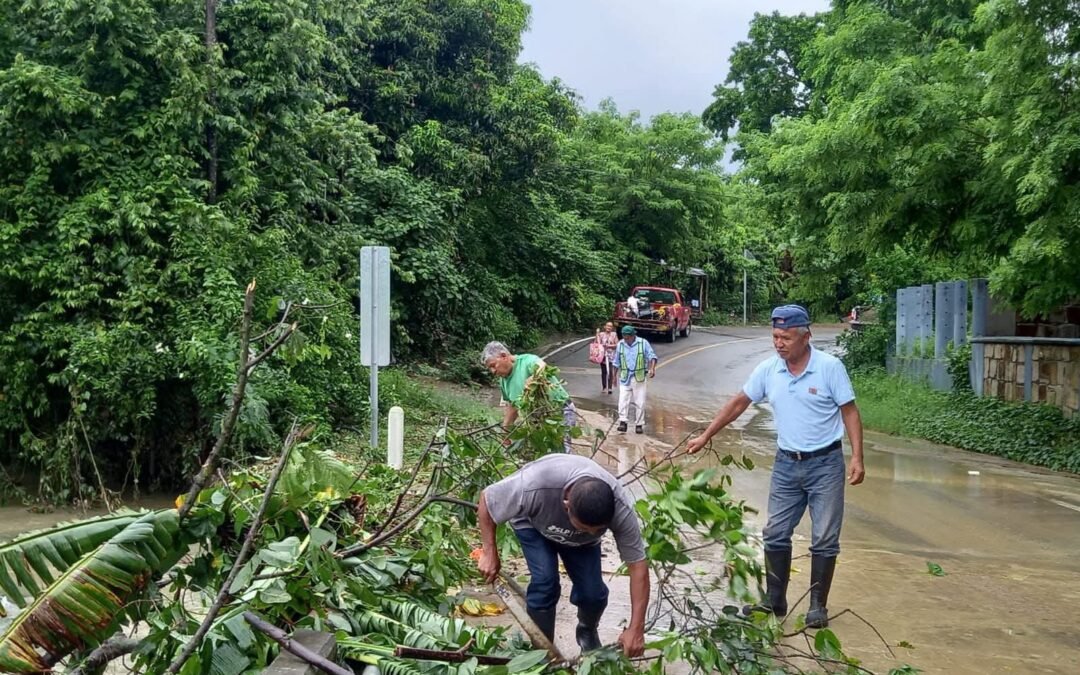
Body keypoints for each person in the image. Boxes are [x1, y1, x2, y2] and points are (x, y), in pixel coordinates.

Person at [686, 305, 865, 629]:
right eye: (775, 337)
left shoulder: (829, 368)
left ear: (806, 337)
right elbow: (739, 402)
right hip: (786, 464)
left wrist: (857, 457)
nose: (779, 343)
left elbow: (849, 411)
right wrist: (706, 434)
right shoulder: (769, 370)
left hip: (825, 464)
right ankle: (775, 600)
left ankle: (817, 606)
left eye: (786, 337)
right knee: (776, 533)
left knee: (824, 537)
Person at [476, 454, 649, 656]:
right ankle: (542, 651)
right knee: (545, 583)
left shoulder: (620, 508)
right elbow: (488, 499)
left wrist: (636, 628)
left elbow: (638, 566)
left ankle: (587, 632)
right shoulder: (535, 483)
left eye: (598, 530)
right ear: (567, 506)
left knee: (593, 594)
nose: (593, 532)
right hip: (533, 525)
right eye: (586, 528)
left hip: (582, 544)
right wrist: (489, 552)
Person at [482, 342, 577, 453]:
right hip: (537, 421)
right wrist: (505, 431)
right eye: (490, 368)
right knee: (541, 452)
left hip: (559, 412)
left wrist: (533, 379)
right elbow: (512, 406)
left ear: (504, 356)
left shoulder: (527, 361)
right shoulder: (503, 382)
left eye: (493, 365)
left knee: (561, 451)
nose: (493, 371)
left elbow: (541, 366)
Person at [611, 326, 657, 434]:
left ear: (633, 336)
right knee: (623, 401)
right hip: (625, 377)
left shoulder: (643, 343)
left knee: (640, 402)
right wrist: (613, 377)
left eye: (627, 337)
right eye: (624, 337)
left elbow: (652, 356)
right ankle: (623, 422)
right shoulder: (620, 344)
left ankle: (639, 424)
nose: (626, 339)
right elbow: (616, 362)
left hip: (638, 377)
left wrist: (652, 368)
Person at [596, 322, 619, 395]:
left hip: (611, 356)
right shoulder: (601, 334)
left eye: (610, 326)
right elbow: (598, 343)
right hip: (602, 355)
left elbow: (617, 344)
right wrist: (597, 334)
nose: (609, 327)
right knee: (604, 372)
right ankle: (604, 387)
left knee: (610, 371)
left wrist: (609, 346)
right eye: (608, 326)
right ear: (605, 327)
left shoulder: (614, 334)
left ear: (612, 328)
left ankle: (610, 387)